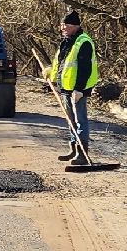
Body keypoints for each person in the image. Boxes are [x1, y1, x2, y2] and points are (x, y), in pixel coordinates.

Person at [51, 10, 102, 162]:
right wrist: (52, 76)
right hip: (66, 88)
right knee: (70, 120)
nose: (63, 28)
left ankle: (82, 154)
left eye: (66, 25)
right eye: (62, 25)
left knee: (80, 121)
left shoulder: (83, 42)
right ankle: (73, 149)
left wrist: (79, 89)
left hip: (78, 89)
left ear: (75, 26)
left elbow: (85, 68)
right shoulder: (67, 42)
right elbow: (61, 64)